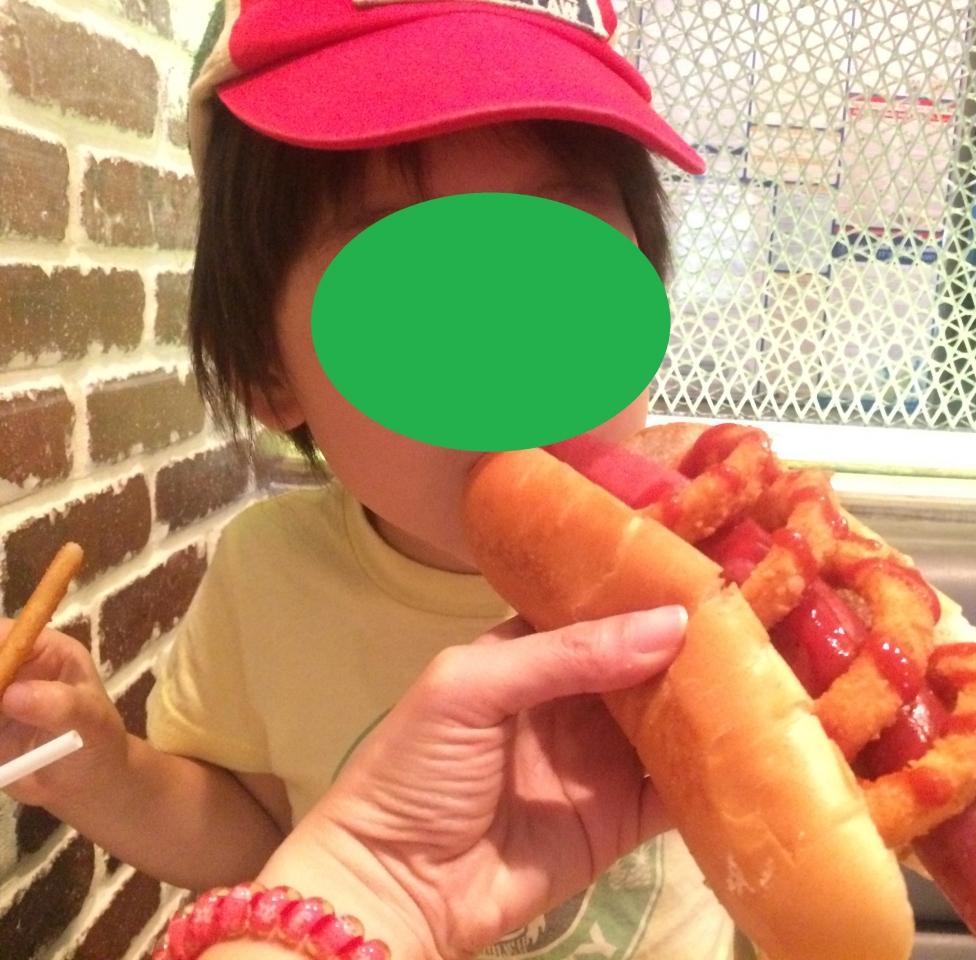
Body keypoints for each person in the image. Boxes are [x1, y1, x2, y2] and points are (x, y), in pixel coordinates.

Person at [0, 1, 741, 957]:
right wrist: (98, 772)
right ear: (269, 375)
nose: (506, 339)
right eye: (415, 284)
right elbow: (255, 843)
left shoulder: (727, 540)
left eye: (559, 250)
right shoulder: (270, 576)